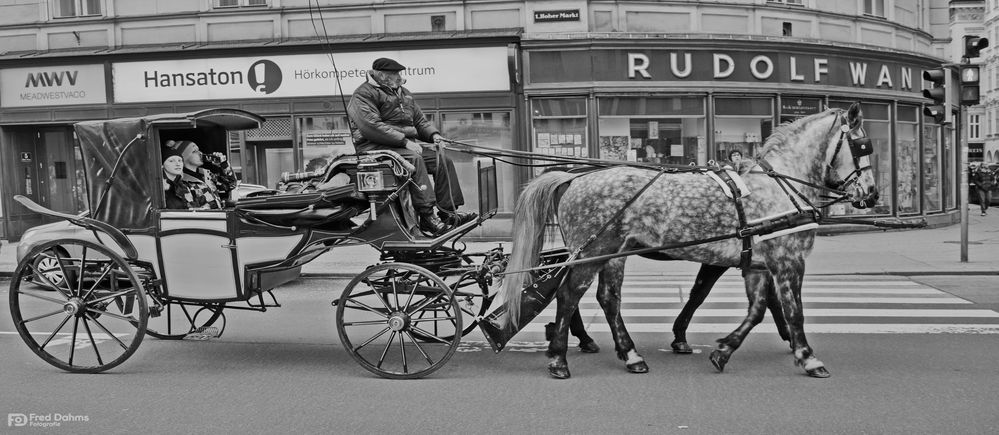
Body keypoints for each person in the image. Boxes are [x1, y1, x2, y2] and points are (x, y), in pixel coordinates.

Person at [347, 57, 476, 236]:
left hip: (401, 146)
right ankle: (428, 216)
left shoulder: (403, 93)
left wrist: (434, 135)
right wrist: (405, 141)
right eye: (395, 73)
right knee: (414, 159)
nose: (399, 77)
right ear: (382, 75)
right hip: (374, 147)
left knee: (442, 160)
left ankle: (448, 213)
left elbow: (419, 121)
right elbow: (371, 126)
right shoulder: (363, 94)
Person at [163, 140, 237, 210]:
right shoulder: (182, 182)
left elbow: (230, 184)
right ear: (184, 157)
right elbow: (191, 211)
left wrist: (224, 165)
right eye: (194, 151)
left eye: (199, 150)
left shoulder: (206, 174)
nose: (200, 153)